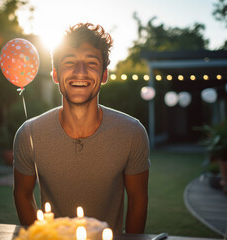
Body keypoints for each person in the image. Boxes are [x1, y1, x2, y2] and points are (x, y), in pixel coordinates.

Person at [13, 23, 150, 234]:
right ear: (55, 75)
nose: (80, 72)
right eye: (69, 62)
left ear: (104, 75)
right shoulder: (28, 133)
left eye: (91, 63)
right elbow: (22, 194)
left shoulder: (132, 133)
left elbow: (138, 199)